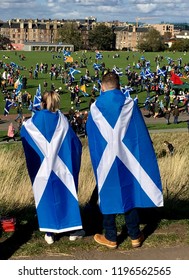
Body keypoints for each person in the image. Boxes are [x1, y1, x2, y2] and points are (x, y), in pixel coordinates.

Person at [86, 72, 163, 249]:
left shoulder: (95, 107)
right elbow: (139, 132)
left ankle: (111, 236)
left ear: (102, 87)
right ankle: (135, 235)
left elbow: (91, 133)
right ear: (119, 86)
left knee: (107, 191)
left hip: (106, 157)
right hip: (128, 157)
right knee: (130, 192)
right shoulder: (130, 103)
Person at [21, 91, 85, 244]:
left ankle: (49, 232)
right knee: (67, 194)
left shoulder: (30, 124)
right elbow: (75, 144)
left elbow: (25, 139)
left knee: (46, 195)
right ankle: (73, 230)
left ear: (41, 103)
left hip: (42, 168)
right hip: (63, 166)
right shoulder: (62, 121)